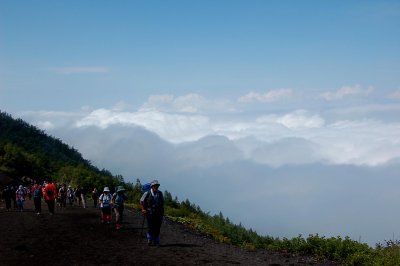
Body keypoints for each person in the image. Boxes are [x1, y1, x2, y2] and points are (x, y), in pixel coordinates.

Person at [140, 180, 164, 246]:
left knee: (157, 226)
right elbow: (141, 201)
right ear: (152, 186)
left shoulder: (160, 193)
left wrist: (162, 212)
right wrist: (143, 209)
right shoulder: (147, 193)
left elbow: (162, 203)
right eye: (155, 186)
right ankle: (150, 239)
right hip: (149, 212)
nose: (156, 187)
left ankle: (156, 240)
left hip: (158, 213)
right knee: (150, 226)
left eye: (157, 186)